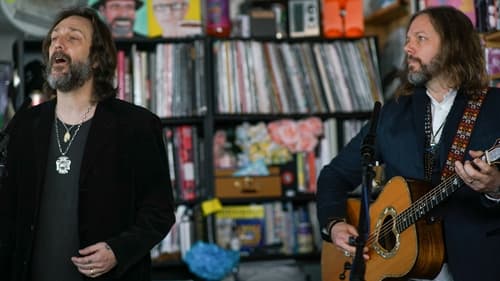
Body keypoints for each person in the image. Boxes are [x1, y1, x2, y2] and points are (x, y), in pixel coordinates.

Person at [316, 6, 500, 281]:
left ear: (453, 45)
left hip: (480, 264)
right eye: (407, 39)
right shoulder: (392, 113)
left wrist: (496, 188)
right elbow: (334, 175)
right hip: (399, 270)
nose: (408, 48)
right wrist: (335, 224)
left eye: (420, 38)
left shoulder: (494, 107)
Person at [0, 6, 175, 281]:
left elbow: (159, 212)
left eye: (73, 37)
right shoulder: (24, 125)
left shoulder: (137, 126)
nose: (58, 42)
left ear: (96, 59)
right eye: (54, 37)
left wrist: (117, 250)